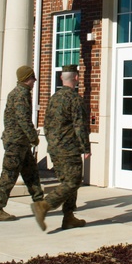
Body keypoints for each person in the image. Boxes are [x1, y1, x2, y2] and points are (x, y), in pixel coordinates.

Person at [31, 64, 90, 231]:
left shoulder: (53, 98)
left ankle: (69, 217)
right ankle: (44, 206)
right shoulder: (74, 99)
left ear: (61, 78)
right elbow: (80, 126)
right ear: (76, 78)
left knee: (67, 181)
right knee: (73, 181)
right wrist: (86, 148)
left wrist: (52, 143)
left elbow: (46, 124)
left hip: (55, 148)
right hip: (69, 148)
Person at [0, 65, 45, 222]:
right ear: (27, 78)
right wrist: (33, 137)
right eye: (33, 78)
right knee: (9, 174)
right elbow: (23, 119)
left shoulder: (20, 93)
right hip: (16, 142)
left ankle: (39, 202)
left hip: (21, 142)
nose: (34, 81)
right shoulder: (20, 94)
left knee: (31, 172)